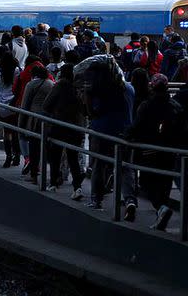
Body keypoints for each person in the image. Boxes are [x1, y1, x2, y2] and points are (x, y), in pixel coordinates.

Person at [125, 74, 187, 229]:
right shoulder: (175, 106)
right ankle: (161, 213)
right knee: (165, 184)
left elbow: (136, 126)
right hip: (170, 152)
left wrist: (127, 135)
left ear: (152, 86)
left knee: (147, 183)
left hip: (149, 151)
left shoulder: (146, 106)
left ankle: (161, 208)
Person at [80, 57, 136, 210]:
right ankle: (130, 200)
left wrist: (87, 96)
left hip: (102, 132)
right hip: (125, 132)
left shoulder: (99, 91)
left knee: (99, 164)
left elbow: (92, 113)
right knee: (126, 167)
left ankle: (96, 200)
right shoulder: (129, 88)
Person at [43, 64, 85, 198]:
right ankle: (77, 187)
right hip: (76, 126)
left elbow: (46, 105)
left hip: (59, 125)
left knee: (55, 155)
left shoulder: (60, 85)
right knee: (73, 158)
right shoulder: (78, 87)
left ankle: (53, 183)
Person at [18, 65, 55, 184]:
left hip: (34, 120)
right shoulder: (51, 84)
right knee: (48, 148)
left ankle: (34, 175)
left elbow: (24, 105)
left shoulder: (31, 84)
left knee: (34, 147)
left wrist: (21, 124)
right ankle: (54, 176)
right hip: (49, 120)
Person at [0, 47, 21, 167]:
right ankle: (17, 155)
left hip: (2, 104)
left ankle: (8, 156)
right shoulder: (17, 71)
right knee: (16, 131)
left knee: (7, 132)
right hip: (14, 103)